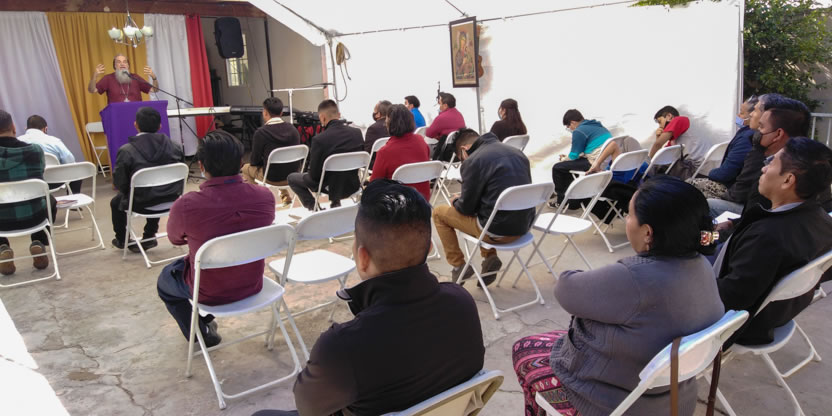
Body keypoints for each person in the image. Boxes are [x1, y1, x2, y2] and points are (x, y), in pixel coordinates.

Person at [253, 180, 484, 416]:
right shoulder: (462, 304)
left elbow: (308, 408)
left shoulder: (342, 347)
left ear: (363, 258)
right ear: (427, 248)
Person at [513, 176, 724, 416]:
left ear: (648, 232)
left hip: (615, 405)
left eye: (630, 214)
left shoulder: (635, 278)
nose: (625, 219)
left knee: (523, 351)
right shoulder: (702, 265)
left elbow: (565, 288)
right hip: (674, 399)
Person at [157, 131, 275, 348]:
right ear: (241, 163)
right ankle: (204, 322)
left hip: (209, 292)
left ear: (201, 166)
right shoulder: (265, 196)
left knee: (165, 281)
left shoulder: (187, 205)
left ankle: (201, 333)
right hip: (252, 283)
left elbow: (175, 239)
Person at [715, 138, 832, 347]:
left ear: (787, 180)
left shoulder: (768, 236)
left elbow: (730, 298)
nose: (763, 168)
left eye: (771, 163)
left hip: (740, 326)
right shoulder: (822, 221)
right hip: (778, 313)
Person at [433, 129, 533, 286]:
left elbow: (466, 209)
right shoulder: (517, 153)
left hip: (496, 233)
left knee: (439, 212)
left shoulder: (474, 161)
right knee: (487, 208)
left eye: (461, 159)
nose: (463, 162)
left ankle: (458, 265)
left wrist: (457, 201)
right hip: (523, 227)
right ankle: (489, 257)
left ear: (464, 150)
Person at [708, 97, 809, 219]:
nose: (764, 169)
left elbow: (758, 215)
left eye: (761, 127)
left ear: (778, 134)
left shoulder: (780, 167)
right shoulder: (798, 159)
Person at [111, 107, 183, 252]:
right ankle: (149, 235)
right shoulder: (175, 147)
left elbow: (120, 182)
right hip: (172, 199)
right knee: (158, 189)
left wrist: (128, 192)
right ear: (160, 126)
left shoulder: (127, 151)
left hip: (142, 203)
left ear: (136, 125)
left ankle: (122, 239)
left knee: (116, 202)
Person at [0, 110, 56, 276]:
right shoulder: (35, 151)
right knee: (50, 199)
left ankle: (2, 247)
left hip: (2, 222)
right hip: (34, 217)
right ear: (13, 127)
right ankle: (38, 241)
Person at [287, 100, 363, 211]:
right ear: (339, 115)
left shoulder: (319, 139)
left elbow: (315, 176)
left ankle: (315, 209)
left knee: (292, 178)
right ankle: (335, 203)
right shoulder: (356, 133)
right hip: (353, 185)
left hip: (330, 187)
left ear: (322, 118)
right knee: (336, 172)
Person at [688, 97, 757, 199]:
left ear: (753, 115)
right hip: (739, 187)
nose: (738, 115)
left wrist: (711, 173)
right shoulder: (750, 134)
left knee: (687, 185)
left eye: (742, 113)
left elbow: (726, 173)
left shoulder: (746, 138)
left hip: (731, 188)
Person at [240, 97, 301, 206]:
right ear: (281, 113)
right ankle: (285, 196)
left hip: (272, 178)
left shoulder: (261, 133)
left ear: (265, 113)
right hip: (293, 175)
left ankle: (257, 201)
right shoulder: (293, 130)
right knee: (278, 164)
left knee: (246, 168)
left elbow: (254, 161)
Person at [551, 109, 612, 208]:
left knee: (558, 167)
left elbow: (573, 155)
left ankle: (562, 201)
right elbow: (588, 149)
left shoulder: (579, 131)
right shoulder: (597, 125)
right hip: (607, 161)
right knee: (570, 165)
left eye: (568, 126)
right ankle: (573, 200)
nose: (569, 129)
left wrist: (563, 159)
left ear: (572, 122)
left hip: (594, 163)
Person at [369, 104, 431, 201]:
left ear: (389, 124)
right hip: (423, 201)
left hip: (399, 204)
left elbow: (374, 186)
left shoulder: (384, 152)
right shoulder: (421, 141)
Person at [18, 115, 82, 194]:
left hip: (26, 183)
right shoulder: (54, 141)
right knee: (77, 171)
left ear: (26, 129)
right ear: (45, 129)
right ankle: (74, 198)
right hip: (53, 182)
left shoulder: (17, 141)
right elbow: (70, 161)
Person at [88, 54, 158, 104]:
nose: (122, 64)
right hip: (116, 115)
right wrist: (94, 76)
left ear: (128, 65)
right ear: (115, 65)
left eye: (125, 62)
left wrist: (154, 77)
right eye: (119, 62)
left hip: (136, 114)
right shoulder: (108, 78)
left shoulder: (135, 77)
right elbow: (92, 90)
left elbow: (155, 90)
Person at [364, 99, 392, 168]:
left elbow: (367, 153)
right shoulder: (396, 126)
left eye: (374, 111)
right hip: (393, 163)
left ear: (378, 114)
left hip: (377, 165)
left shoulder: (373, 129)